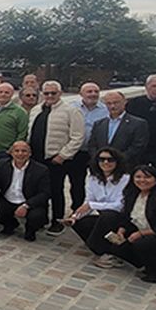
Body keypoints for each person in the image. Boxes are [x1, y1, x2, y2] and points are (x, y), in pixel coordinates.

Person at [28, 81, 85, 235]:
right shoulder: (35, 110)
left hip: (55, 159)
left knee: (56, 190)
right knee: (38, 190)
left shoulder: (71, 111)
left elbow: (78, 137)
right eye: (47, 93)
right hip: (36, 158)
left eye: (53, 93)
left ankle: (57, 220)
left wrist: (63, 155)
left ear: (60, 93)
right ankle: (41, 219)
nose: (50, 96)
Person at [63, 147, 130, 268]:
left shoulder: (125, 180)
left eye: (110, 160)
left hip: (120, 218)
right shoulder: (92, 178)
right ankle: (104, 251)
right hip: (103, 215)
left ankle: (98, 247)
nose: (106, 163)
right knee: (80, 223)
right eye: (102, 159)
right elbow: (88, 201)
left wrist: (92, 205)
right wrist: (74, 217)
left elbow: (119, 206)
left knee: (107, 216)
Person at [0, 141, 51, 240]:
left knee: (37, 216)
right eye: (17, 151)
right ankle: (10, 224)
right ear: (11, 153)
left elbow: (45, 193)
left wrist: (26, 205)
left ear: (30, 153)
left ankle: (30, 230)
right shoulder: (2, 164)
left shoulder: (41, 169)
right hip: (8, 200)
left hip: (28, 202)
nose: (20, 154)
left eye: (24, 151)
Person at [65, 82, 108, 216]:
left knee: (100, 182)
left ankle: (103, 211)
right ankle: (77, 210)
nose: (93, 94)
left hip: (97, 152)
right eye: (89, 91)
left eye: (96, 91)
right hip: (77, 151)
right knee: (77, 182)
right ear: (81, 94)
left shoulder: (105, 110)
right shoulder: (71, 108)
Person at [86, 91, 149, 164]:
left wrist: (116, 159)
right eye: (109, 103)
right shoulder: (99, 124)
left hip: (125, 166)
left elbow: (138, 146)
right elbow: (92, 145)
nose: (112, 106)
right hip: (102, 167)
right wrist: (100, 159)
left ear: (125, 102)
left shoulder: (138, 123)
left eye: (116, 103)